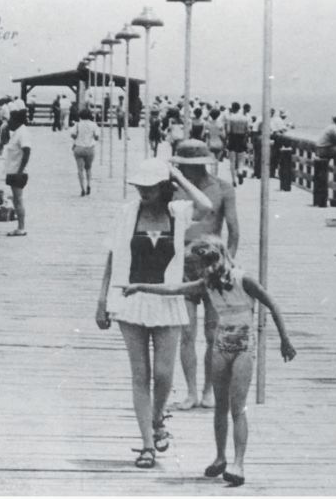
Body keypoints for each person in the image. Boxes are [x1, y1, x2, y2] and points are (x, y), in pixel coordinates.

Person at [120, 235, 296, 485]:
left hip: (244, 346)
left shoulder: (243, 279)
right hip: (221, 345)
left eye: (204, 265)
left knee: (238, 407)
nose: (203, 270)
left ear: (218, 258)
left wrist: (285, 340)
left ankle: (239, 463)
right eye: (199, 267)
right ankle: (220, 457)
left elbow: (273, 305)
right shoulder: (207, 284)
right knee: (220, 408)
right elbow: (174, 289)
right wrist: (140, 286)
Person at [95, 158, 215, 469]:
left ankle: (158, 417)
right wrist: (101, 300)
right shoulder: (126, 214)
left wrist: (175, 174)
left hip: (167, 300)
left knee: (163, 374)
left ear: (163, 188)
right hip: (130, 297)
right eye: (140, 187)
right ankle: (147, 444)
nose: (143, 192)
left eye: (150, 187)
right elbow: (112, 256)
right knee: (140, 375)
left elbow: (206, 206)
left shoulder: (178, 213)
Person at [170, 140, 240, 411]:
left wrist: (227, 263)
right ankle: (190, 392)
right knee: (186, 333)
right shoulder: (174, 190)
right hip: (183, 266)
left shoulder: (223, 188)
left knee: (213, 333)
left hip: (213, 265)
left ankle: (209, 390)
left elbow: (233, 231)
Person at [5, 101, 32, 236]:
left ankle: (21, 227)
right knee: (16, 199)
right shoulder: (17, 132)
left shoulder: (22, 133)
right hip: (13, 170)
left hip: (18, 172)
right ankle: (19, 226)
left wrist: (20, 171)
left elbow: (27, 151)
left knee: (19, 199)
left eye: (11, 119)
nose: (9, 121)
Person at [70, 108, 101, 197]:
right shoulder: (94, 125)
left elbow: (73, 135)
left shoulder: (77, 125)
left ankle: (82, 188)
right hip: (90, 148)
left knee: (80, 169)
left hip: (79, 148)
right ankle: (89, 184)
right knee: (88, 168)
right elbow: (96, 137)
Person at [225, 102, 249, 186]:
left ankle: (233, 180)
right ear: (239, 108)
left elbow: (228, 131)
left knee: (232, 161)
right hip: (241, 138)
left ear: (232, 108)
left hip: (232, 138)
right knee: (241, 160)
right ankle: (240, 171)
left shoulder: (230, 118)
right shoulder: (245, 118)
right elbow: (247, 130)